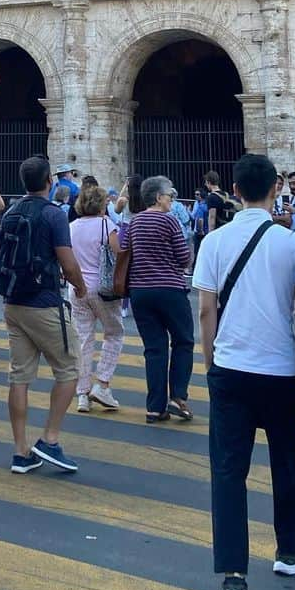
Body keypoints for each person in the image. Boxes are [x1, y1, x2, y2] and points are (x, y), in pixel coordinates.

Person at [193, 152, 295, 590]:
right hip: (282, 371)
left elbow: (206, 310)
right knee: (288, 462)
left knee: (228, 472)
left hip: (230, 368)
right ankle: (289, 550)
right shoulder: (294, 245)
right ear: (274, 191)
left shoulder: (215, 241)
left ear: (236, 191)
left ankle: (233, 578)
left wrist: (211, 361)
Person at [0, 155, 87, 475]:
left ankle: (21, 452)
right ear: (50, 181)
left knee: (19, 376)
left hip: (13, 303)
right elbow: (67, 262)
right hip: (44, 302)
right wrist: (79, 287)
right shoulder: (53, 215)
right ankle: (49, 439)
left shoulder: (11, 212)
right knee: (70, 367)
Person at [123, 176, 194, 423]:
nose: (171, 200)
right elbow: (184, 257)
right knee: (183, 341)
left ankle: (155, 407)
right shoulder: (170, 221)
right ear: (157, 197)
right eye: (169, 196)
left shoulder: (134, 223)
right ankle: (178, 396)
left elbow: (124, 250)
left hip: (140, 292)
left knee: (154, 349)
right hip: (170, 290)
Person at [67, 183, 124, 412]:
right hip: (102, 289)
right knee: (114, 333)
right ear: (101, 205)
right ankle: (102, 383)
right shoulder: (106, 225)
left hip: (77, 288)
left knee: (82, 339)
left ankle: (82, 393)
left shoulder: (71, 226)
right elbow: (118, 253)